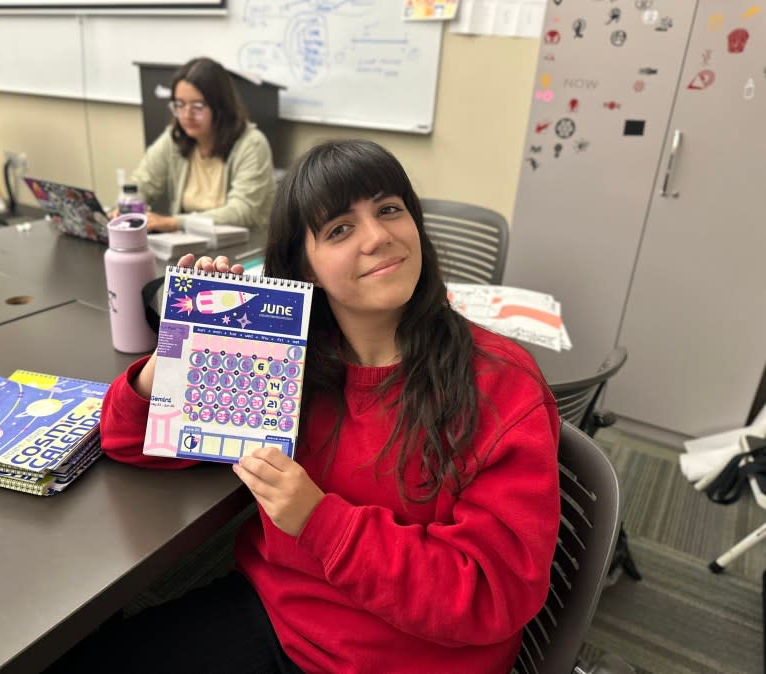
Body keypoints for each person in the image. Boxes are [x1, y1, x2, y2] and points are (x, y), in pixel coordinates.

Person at [54, 140, 560, 673]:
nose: (379, 237)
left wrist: (319, 521)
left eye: (389, 209)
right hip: (278, 618)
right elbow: (128, 442)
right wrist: (183, 348)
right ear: (306, 266)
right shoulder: (291, 357)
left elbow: (491, 595)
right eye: (340, 229)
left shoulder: (499, 385)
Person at [121, 56, 276, 233]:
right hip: (187, 245)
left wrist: (175, 223)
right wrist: (127, 208)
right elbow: (143, 182)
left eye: (198, 106)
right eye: (180, 105)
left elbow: (242, 212)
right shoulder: (175, 137)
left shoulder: (252, 144)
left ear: (220, 106)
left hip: (240, 248)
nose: (187, 115)